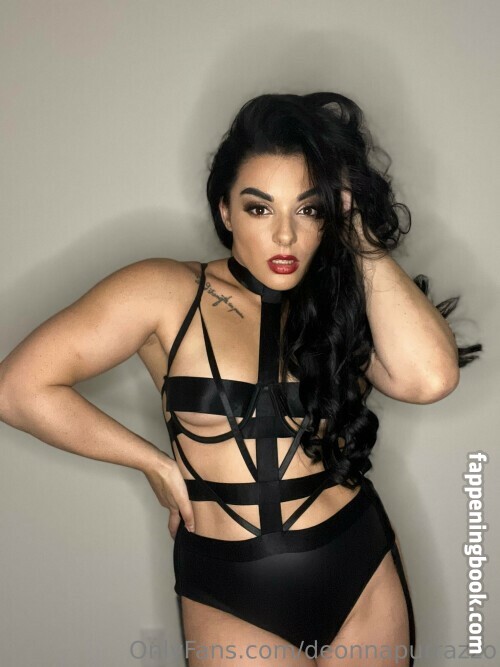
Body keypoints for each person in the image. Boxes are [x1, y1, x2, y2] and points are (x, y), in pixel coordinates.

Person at [0, 92, 481, 667]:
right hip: (230, 588)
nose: (285, 236)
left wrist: (354, 227)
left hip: (358, 564)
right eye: (260, 209)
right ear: (225, 211)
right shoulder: (166, 291)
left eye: (308, 210)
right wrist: (152, 464)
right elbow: (17, 389)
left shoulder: (340, 304)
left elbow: (431, 379)